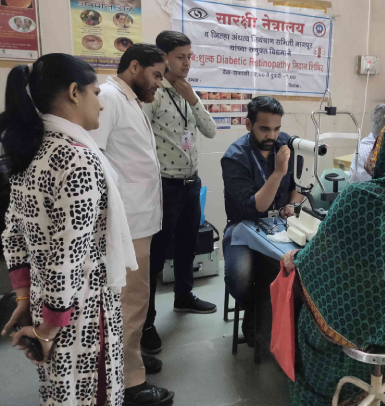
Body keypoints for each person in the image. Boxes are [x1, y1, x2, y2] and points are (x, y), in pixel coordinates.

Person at [281, 117, 385, 405]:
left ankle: (326, 396)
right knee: (373, 301)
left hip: (364, 323)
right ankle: (369, 390)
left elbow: (318, 256)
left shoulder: (360, 198)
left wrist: (295, 259)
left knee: (312, 318)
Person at [0, 54, 137, 405]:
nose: (101, 105)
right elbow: (69, 255)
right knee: (92, 393)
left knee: (62, 392)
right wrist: (49, 328)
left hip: (46, 300)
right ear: (75, 92)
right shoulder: (78, 158)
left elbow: (13, 234)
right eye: (96, 93)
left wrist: (26, 299)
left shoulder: (32, 149)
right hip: (82, 311)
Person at [89, 44, 174, 405]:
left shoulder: (130, 100)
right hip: (126, 222)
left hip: (139, 220)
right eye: (156, 75)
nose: (159, 83)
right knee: (130, 302)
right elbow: (94, 157)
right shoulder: (109, 97)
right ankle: (128, 382)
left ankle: (130, 356)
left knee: (135, 299)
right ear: (135, 66)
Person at [141, 31, 218, 355]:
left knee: (188, 244)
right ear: (164, 57)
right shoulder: (154, 93)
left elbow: (210, 131)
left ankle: (183, 296)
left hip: (190, 183)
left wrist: (194, 100)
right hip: (164, 186)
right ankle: (146, 323)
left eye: (189, 56)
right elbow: (141, 138)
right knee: (156, 255)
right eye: (180, 57)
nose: (187, 63)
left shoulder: (187, 91)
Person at [221, 96, 304, 344]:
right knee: (240, 277)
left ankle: (282, 323)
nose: (272, 136)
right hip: (243, 227)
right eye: (265, 129)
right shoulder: (234, 158)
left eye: (277, 129)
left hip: (281, 225)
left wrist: (292, 204)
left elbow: (300, 184)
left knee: (301, 266)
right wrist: (278, 173)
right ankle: (254, 312)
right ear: (248, 125)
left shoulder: (286, 144)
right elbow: (257, 206)